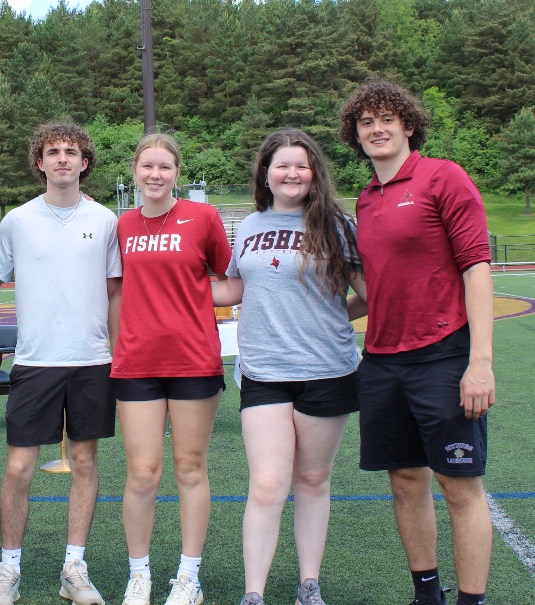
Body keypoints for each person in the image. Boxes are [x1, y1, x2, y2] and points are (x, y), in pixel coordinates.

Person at [339, 80, 495, 605]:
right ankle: (426, 595)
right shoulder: (364, 200)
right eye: (366, 122)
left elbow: (476, 268)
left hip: (444, 355)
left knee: (459, 487)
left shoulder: (443, 177)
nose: (376, 129)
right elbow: (374, 291)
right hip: (382, 362)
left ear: (408, 125)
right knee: (405, 481)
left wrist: (480, 362)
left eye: (387, 119)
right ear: (355, 136)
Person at [211, 129, 367, 605]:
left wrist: (326, 317)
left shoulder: (337, 225)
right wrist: (169, 283)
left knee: (313, 479)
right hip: (264, 370)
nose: (292, 173)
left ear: (314, 172)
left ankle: (308, 585)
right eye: (282, 165)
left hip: (328, 368)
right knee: (267, 483)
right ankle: (253, 593)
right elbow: (234, 289)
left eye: (302, 165)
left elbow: (371, 294)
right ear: (266, 172)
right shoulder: (251, 225)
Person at [0, 122, 122, 605]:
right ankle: (9, 570)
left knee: (84, 461)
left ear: (85, 163)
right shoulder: (17, 221)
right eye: (52, 152)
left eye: (71, 152)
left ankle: (74, 568)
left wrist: (119, 351)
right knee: (19, 466)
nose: (62, 159)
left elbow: (115, 291)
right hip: (36, 362)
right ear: (39, 162)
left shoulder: (105, 220)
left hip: (91, 360)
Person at [112, 133, 231, 605]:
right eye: (147, 167)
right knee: (142, 472)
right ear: (135, 173)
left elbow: (229, 279)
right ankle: (138, 575)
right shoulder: (122, 224)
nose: (155, 175)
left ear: (177, 172)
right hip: (137, 362)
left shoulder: (204, 218)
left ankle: (188, 577)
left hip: (193, 359)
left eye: (164, 166)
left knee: (189, 467)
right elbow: (116, 290)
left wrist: (197, 299)